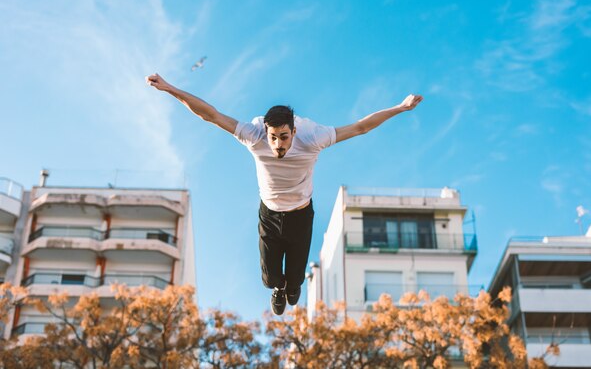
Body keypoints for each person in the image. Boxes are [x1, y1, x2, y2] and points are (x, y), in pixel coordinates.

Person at [145, 73, 423, 315]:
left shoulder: (313, 136)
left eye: (284, 137)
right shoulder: (253, 135)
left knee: (296, 278)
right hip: (269, 213)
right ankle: (277, 289)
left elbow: (361, 126)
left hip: (301, 212)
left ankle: (291, 287)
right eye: (273, 137)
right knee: (270, 278)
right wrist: (170, 89)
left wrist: (400, 107)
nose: (278, 145)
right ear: (265, 131)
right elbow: (211, 114)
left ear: (294, 130)